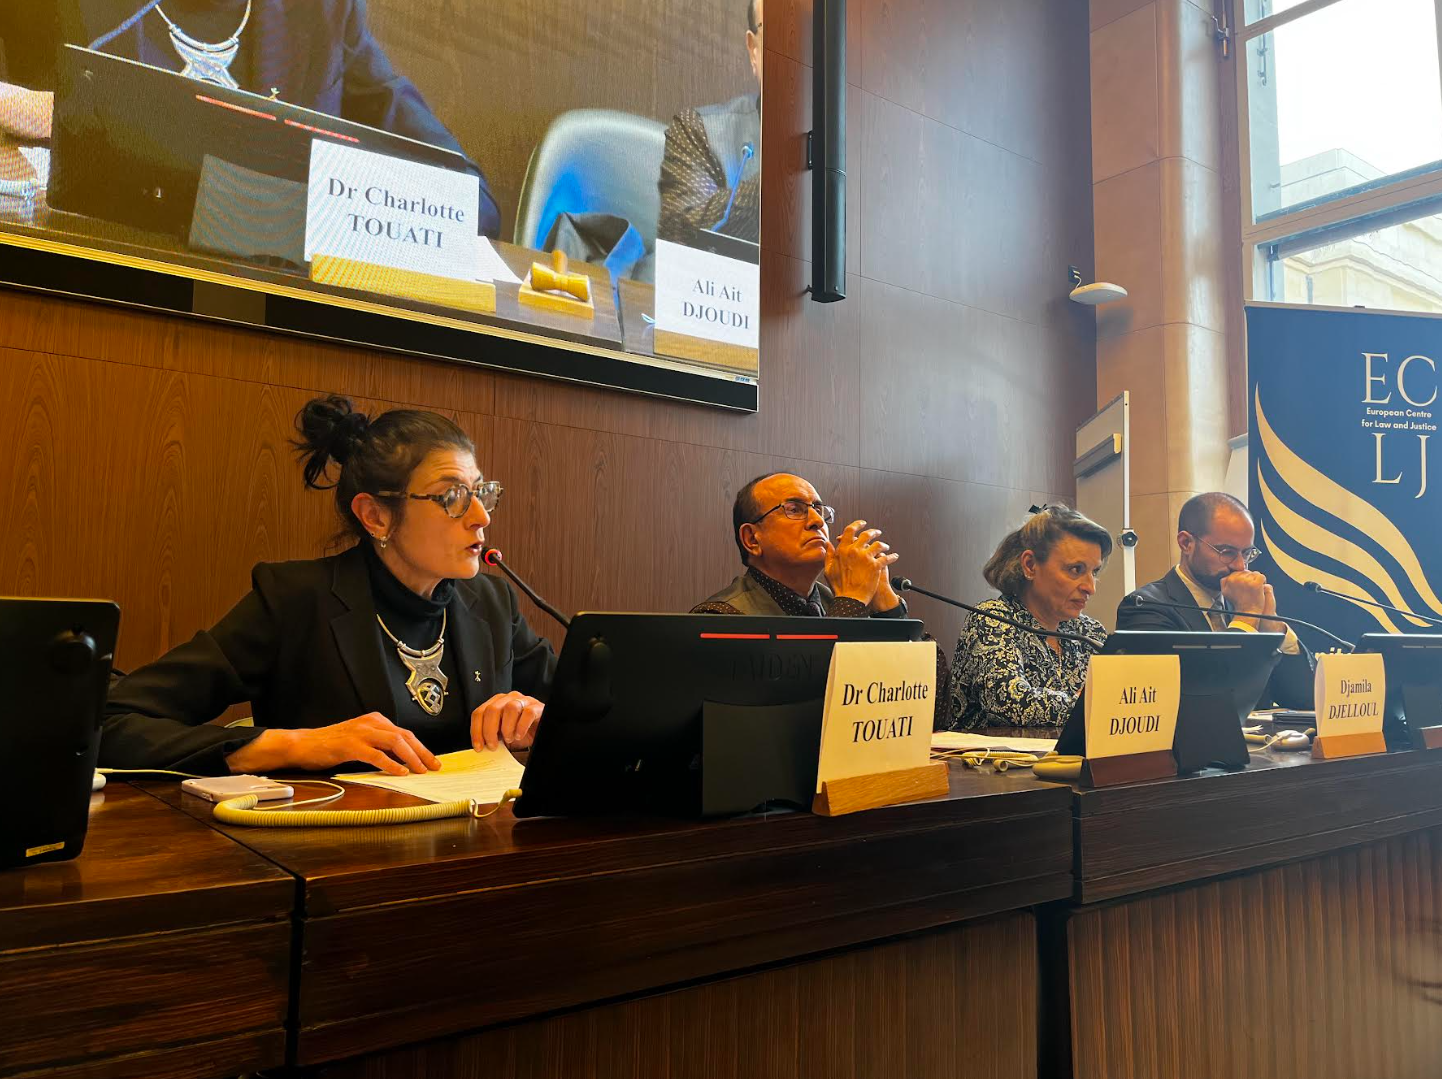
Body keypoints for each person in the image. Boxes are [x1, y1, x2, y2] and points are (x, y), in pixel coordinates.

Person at [102, 395, 555, 775]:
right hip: (334, 859)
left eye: (483, 492)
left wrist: (541, 721)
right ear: (376, 516)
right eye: (453, 497)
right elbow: (110, 721)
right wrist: (294, 746)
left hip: (477, 854)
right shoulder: (294, 600)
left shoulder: (493, 603)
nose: (482, 517)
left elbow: (598, 718)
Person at [0, 0, 501, 235]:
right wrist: (48, 114)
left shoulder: (319, 14)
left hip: (268, 331)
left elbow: (468, 198)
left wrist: (351, 195)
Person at [692, 471, 949, 706]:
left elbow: (934, 703)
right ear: (751, 539)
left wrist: (887, 606)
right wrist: (851, 599)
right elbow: (816, 708)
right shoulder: (720, 619)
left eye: (819, 509)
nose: (817, 521)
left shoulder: (839, 603)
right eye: (794, 509)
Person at [1116, 491, 1314, 708]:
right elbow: (1204, 701)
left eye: (1247, 553)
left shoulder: (1241, 603)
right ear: (1186, 543)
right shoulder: (1145, 608)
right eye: (1227, 552)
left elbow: (1303, 697)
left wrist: (1273, 627)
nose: (1240, 566)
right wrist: (1245, 620)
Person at [948, 505, 1110, 730]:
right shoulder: (992, 620)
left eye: (1094, 572)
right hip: (989, 763)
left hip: (1070, 763)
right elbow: (1010, 703)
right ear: (1030, 565)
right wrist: (1089, 705)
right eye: (1075, 570)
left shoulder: (1090, 632)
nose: (1090, 587)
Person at [656, 0, 761, 247]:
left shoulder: (860, 160)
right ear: (754, 50)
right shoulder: (698, 132)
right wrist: (782, 181)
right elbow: (681, 237)